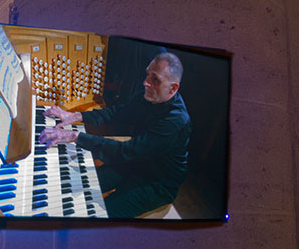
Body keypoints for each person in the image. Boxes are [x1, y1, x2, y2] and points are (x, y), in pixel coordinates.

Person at [40, 52, 192, 218]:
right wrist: (75, 116)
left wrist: (75, 136)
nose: (146, 82)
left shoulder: (175, 121)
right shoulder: (149, 96)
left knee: (99, 214)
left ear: (173, 88)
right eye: (147, 74)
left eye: (155, 79)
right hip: (136, 163)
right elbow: (117, 113)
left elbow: (127, 151)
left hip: (156, 183)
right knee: (75, 183)